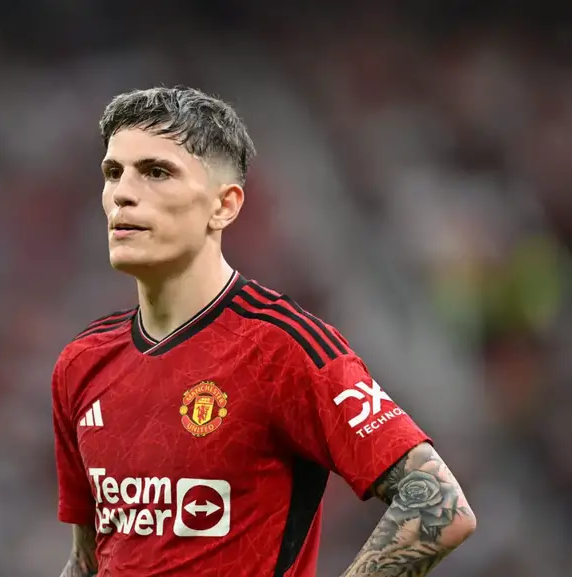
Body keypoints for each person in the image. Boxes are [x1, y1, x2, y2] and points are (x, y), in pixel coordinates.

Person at [52, 86, 476, 577]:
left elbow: (438, 506)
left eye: (156, 172)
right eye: (113, 172)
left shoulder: (284, 347)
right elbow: (88, 558)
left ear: (224, 206)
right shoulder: (81, 362)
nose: (122, 193)